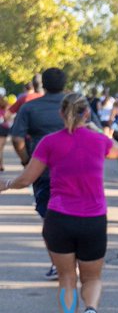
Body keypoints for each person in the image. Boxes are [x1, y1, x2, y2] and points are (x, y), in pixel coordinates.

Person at [2, 93, 118, 313]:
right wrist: (92, 128)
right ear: (86, 114)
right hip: (93, 220)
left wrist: (7, 184)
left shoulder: (49, 143)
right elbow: (117, 151)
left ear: (61, 114)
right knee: (92, 279)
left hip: (59, 219)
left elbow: (27, 178)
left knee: (67, 278)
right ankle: (91, 310)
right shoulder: (98, 140)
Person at [11, 68, 68, 280]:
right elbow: (96, 131)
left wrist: (27, 161)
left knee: (49, 218)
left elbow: (17, 139)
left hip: (43, 173)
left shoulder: (30, 108)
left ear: (42, 84)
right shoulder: (76, 105)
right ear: (65, 83)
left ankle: (58, 264)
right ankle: (76, 262)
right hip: (78, 171)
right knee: (78, 214)